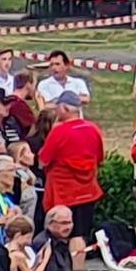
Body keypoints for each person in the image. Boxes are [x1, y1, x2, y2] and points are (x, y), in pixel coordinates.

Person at [32, 101, 106, 246]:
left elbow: (43, 160)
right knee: (80, 234)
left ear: (65, 108)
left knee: (59, 233)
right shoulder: (93, 129)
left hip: (63, 192)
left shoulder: (59, 131)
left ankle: (60, 266)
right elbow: (100, 158)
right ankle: (78, 268)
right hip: (87, 190)